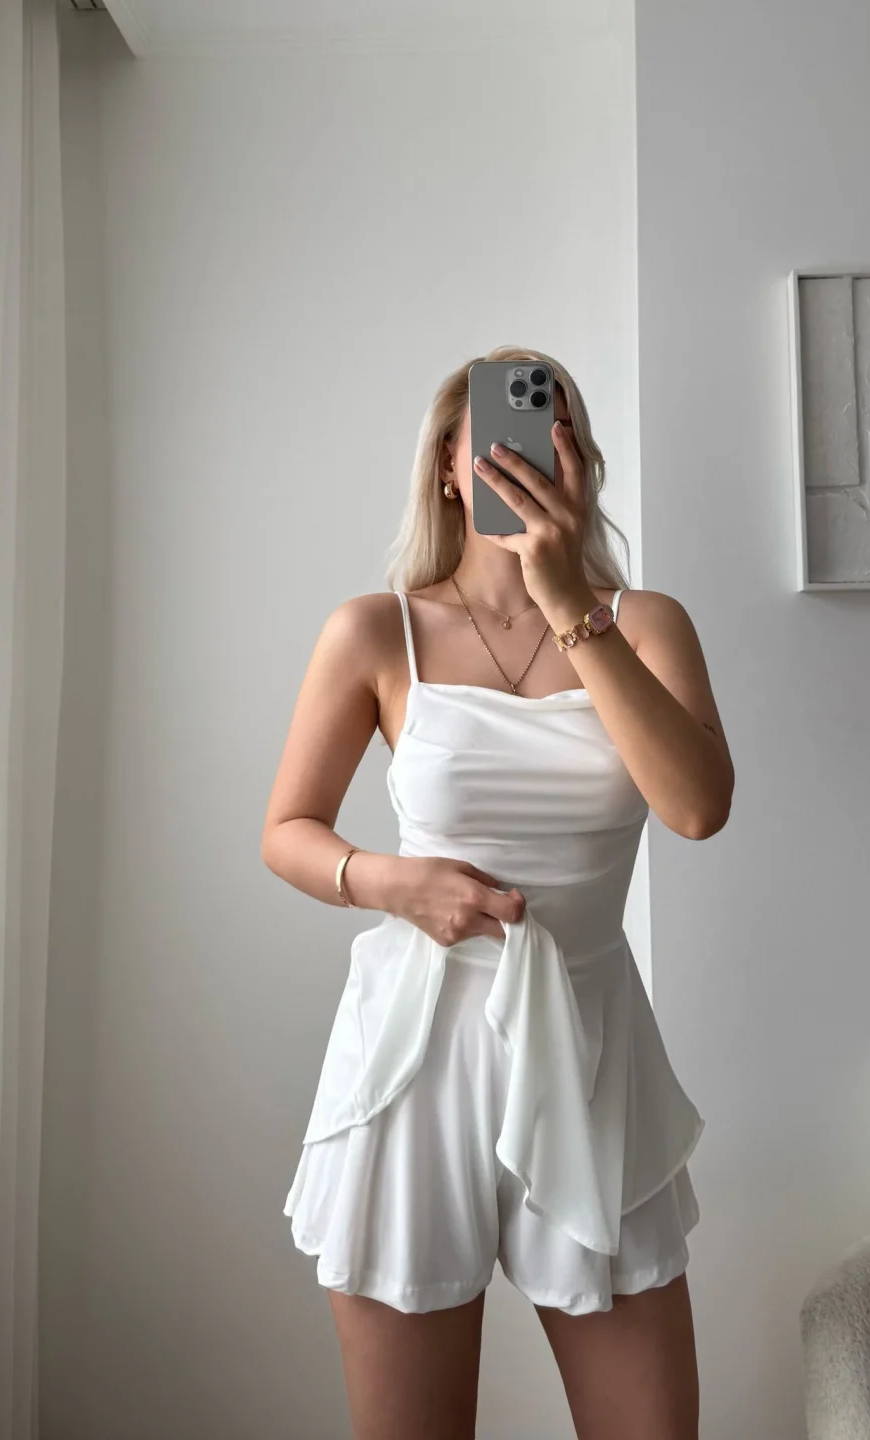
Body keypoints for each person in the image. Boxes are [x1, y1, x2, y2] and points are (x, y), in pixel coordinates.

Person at [261, 345, 735, 1440]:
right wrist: (390, 884)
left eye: (558, 429)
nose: (534, 449)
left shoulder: (645, 624)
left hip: (593, 1050)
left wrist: (569, 602)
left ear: (583, 464)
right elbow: (286, 831)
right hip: (416, 1056)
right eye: (507, 429)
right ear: (446, 464)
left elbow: (697, 807)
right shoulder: (375, 631)